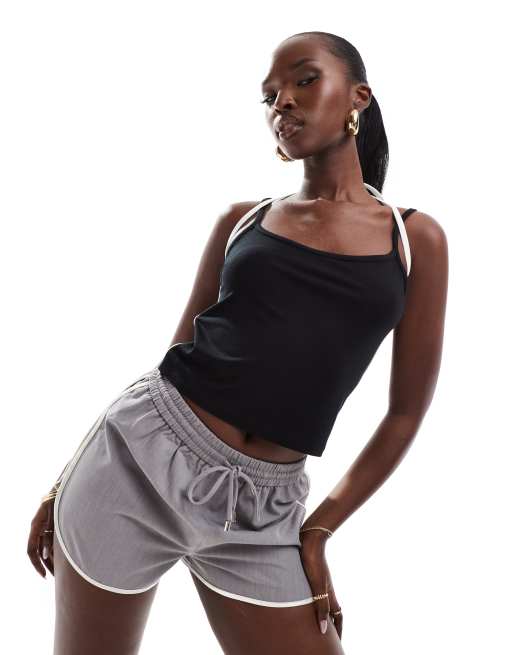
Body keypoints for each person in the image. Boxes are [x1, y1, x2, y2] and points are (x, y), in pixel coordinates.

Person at [27, 30, 448, 655]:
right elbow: (167, 367)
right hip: (134, 468)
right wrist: (62, 481)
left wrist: (320, 529)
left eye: (305, 80)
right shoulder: (242, 221)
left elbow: (406, 412)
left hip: (262, 510)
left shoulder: (413, 240)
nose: (283, 102)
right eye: (270, 96)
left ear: (358, 97)